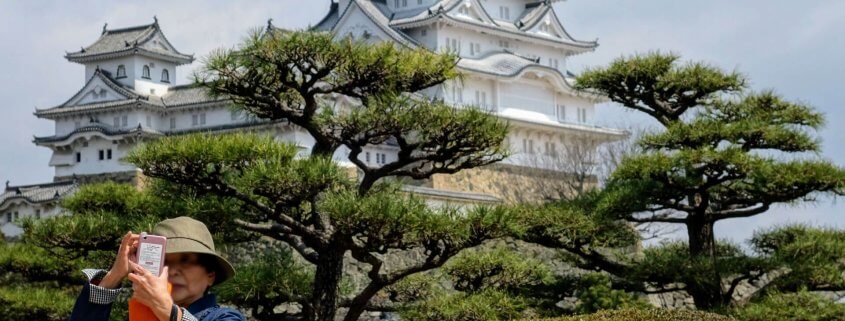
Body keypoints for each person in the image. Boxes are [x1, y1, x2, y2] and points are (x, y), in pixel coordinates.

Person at [69, 217, 246, 321]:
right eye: (165, 261)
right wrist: (114, 276)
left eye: (186, 261)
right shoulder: (140, 316)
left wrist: (169, 312)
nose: (173, 271)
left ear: (210, 275)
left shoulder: (226, 317)